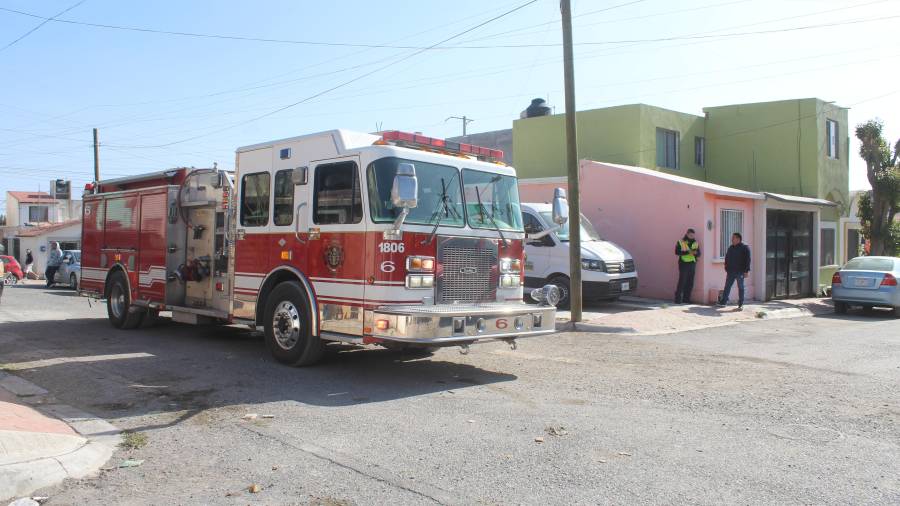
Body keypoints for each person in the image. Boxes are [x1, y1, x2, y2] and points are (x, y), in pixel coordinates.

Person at [718, 232, 751, 309]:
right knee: (727, 286)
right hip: (731, 271)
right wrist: (726, 267)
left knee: (741, 287)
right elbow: (727, 258)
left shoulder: (745, 247)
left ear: (738, 239)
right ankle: (724, 302)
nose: (731, 239)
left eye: (733, 238)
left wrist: (746, 271)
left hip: (740, 271)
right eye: (732, 238)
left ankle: (741, 304)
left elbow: (748, 260)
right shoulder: (731, 248)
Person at [674, 228, 700, 304]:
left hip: (692, 263)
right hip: (683, 263)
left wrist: (696, 253)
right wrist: (688, 252)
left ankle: (686, 299)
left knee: (690, 282)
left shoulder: (695, 242)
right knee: (682, 281)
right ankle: (678, 299)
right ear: (687, 234)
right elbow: (677, 252)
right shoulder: (680, 242)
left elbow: (699, 253)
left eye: (693, 235)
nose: (692, 236)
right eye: (691, 235)